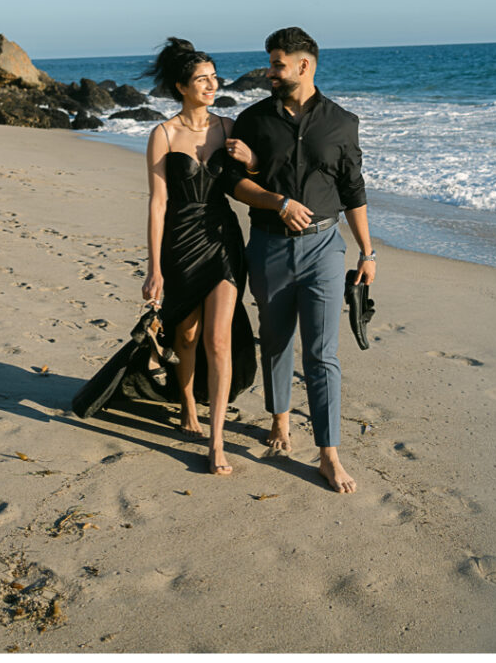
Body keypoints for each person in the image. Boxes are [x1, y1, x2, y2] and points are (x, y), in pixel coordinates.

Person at [225, 26, 376, 494]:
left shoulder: (342, 122)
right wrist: (279, 202)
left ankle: (328, 454)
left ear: (304, 66)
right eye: (270, 64)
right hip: (268, 245)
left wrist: (368, 253)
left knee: (321, 353)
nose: (270, 72)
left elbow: (353, 191)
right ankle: (280, 419)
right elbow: (233, 185)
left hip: (325, 249)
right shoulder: (252, 121)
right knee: (274, 340)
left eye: (277, 65)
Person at [141, 37, 255, 476]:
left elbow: (254, 173)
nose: (212, 85)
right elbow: (157, 203)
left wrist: (254, 159)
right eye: (201, 79)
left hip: (223, 238)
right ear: (181, 87)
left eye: (214, 77)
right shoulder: (164, 134)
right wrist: (154, 269)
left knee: (218, 339)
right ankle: (187, 400)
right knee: (185, 336)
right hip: (180, 242)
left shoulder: (227, 128)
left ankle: (216, 439)